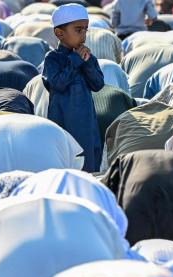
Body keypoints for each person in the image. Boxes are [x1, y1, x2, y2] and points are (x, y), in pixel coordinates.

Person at [43, 4, 105, 173]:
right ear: (59, 33)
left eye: (86, 30)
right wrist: (76, 61)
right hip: (63, 123)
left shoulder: (87, 58)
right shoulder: (53, 59)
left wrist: (87, 64)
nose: (83, 36)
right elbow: (57, 84)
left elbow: (98, 84)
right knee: (65, 167)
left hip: (87, 124)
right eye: (78, 30)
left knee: (89, 167)